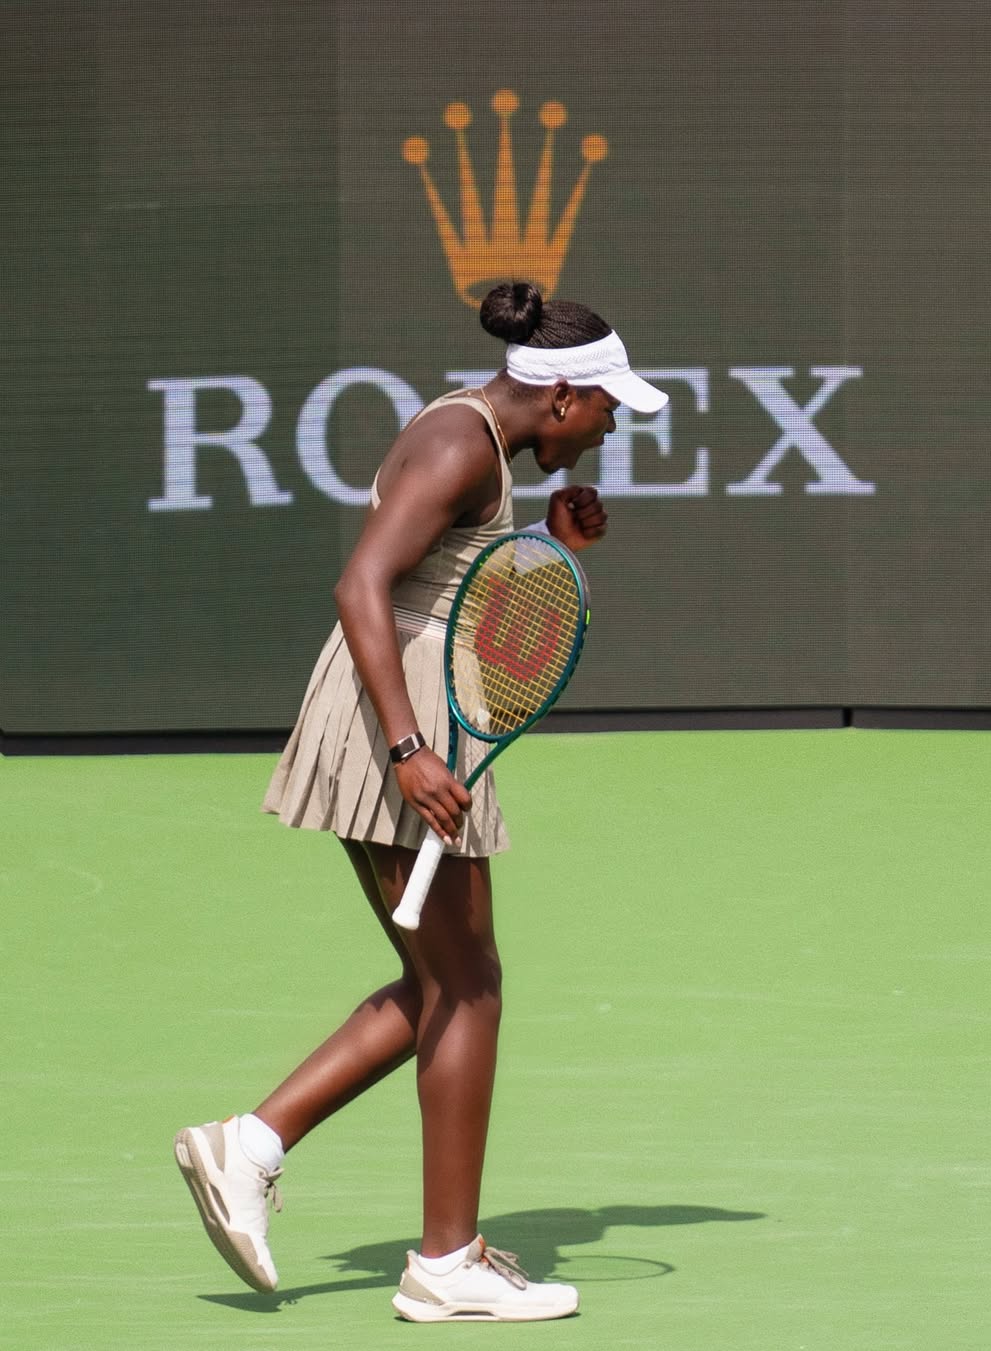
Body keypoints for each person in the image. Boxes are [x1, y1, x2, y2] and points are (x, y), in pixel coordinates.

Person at [173, 280, 668, 1323]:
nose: (613, 425)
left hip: (410, 704)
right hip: (398, 718)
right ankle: (445, 1261)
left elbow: (447, 588)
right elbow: (361, 583)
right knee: (468, 983)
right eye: (607, 405)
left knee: (443, 977)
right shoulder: (458, 444)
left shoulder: (478, 436)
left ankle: (251, 1145)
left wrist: (552, 542)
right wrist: (406, 748)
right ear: (562, 395)